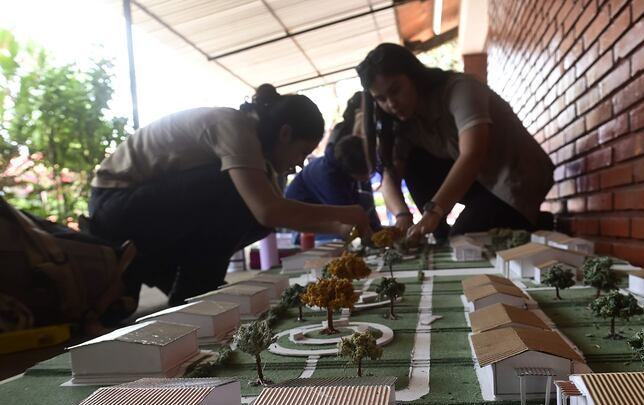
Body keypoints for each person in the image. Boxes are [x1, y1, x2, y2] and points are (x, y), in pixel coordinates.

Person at [88, 84, 371, 308]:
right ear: (285, 133)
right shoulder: (235, 126)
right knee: (236, 194)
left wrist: (340, 223)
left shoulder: (257, 148)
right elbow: (268, 209)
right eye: (302, 153)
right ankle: (195, 291)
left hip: (143, 210)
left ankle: (184, 280)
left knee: (255, 209)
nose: (299, 165)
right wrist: (345, 215)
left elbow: (270, 213)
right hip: (114, 205)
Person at [356, 43, 554, 242]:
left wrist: (433, 213)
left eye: (396, 90)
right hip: (481, 183)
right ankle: (442, 236)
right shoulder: (405, 122)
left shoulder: (460, 88)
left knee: (464, 239)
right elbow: (390, 177)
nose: (391, 104)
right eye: (381, 99)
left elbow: (473, 154)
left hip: (518, 178)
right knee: (415, 162)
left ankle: (541, 224)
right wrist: (402, 216)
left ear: (413, 76)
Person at [285, 93, 381, 239]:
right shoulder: (329, 178)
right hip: (302, 229)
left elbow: (355, 205)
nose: (367, 177)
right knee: (347, 231)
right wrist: (371, 236)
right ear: (353, 171)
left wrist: (377, 230)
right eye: (366, 174)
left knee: (364, 201)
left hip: (323, 209)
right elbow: (346, 217)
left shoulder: (345, 167)